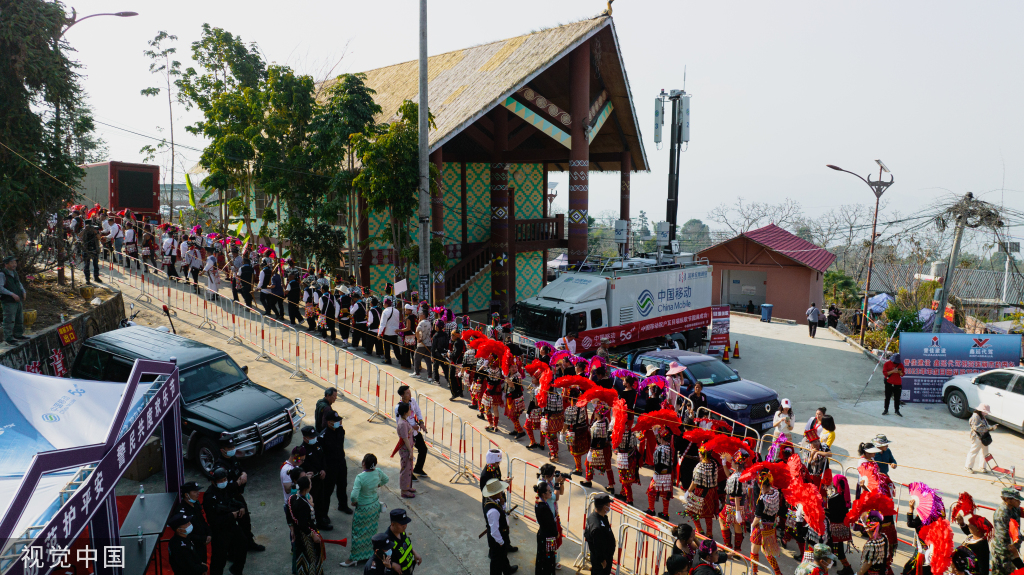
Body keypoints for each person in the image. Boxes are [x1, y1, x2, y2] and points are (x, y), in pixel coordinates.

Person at [212, 438, 262, 552]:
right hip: (227, 499)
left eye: (233, 447)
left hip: (237, 496)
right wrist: (237, 483)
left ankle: (249, 543)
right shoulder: (220, 466)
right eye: (229, 448)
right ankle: (232, 551)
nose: (232, 449)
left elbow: (240, 468)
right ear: (222, 450)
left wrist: (244, 473)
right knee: (230, 526)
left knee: (245, 521)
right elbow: (222, 486)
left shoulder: (233, 458)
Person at [340, 454, 389, 568]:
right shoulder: (378, 472)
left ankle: (354, 558)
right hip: (374, 507)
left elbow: (354, 495)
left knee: (358, 533)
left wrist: (354, 502)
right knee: (372, 531)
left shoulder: (360, 477)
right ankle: (370, 554)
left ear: (363, 463)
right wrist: (378, 485)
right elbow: (386, 479)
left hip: (363, 509)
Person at [204, 468, 247, 575]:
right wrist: (230, 516)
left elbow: (232, 500)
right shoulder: (209, 497)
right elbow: (213, 521)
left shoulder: (226, 489)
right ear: (213, 481)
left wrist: (241, 506)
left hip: (231, 525)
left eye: (225, 479)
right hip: (220, 531)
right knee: (219, 559)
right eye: (220, 480)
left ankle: (237, 570)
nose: (223, 482)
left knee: (243, 544)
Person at [285, 476, 324, 575]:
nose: (311, 485)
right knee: (312, 558)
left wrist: (292, 530)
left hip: (298, 534)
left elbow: (289, 516)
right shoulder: (304, 505)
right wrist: (313, 535)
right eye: (310, 483)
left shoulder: (292, 498)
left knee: (301, 557)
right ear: (307, 488)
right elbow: (303, 525)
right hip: (305, 537)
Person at [750, 471, 786, 575]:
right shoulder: (775, 493)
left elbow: (757, 517)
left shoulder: (762, 499)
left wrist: (752, 525)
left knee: (754, 550)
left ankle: (753, 572)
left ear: (761, 484)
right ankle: (778, 572)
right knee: (768, 552)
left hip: (761, 527)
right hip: (771, 527)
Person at [482, 478, 518, 575]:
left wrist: (502, 504)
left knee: (503, 555)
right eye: (500, 491)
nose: (502, 492)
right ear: (494, 494)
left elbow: (502, 512)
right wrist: (501, 542)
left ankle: (507, 570)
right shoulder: (492, 511)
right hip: (497, 540)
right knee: (496, 563)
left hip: (501, 535)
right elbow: (494, 531)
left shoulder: (494, 501)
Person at [298, 426, 331, 531]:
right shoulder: (302, 450)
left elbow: (323, 458)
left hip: (321, 478)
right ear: (305, 438)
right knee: (312, 503)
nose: (314, 438)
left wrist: (324, 469)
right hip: (311, 482)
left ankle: (321, 521)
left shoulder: (317, 444)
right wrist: (316, 473)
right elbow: (303, 465)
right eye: (311, 437)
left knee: (321, 501)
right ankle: (312, 525)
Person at [322, 410, 353, 514]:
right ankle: (324, 514)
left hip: (341, 463)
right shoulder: (324, 436)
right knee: (328, 490)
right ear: (329, 422)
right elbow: (322, 455)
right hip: (330, 466)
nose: (338, 422)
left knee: (342, 485)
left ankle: (343, 505)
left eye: (338, 420)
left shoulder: (340, 430)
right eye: (335, 421)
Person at [394, 386, 429, 477]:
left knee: (423, 449)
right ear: (402, 395)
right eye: (407, 393)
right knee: (408, 454)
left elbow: (418, 411)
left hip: (415, 432)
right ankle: (408, 473)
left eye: (410, 392)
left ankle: (418, 468)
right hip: (407, 435)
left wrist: (421, 423)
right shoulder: (398, 408)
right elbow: (400, 423)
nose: (410, 394)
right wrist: (412, 427)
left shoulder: (412, 401)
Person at [177, 481, 212, 565]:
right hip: (192, 546)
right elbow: (184, 533)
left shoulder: (195, 504)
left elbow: (202, 521)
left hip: (202, 543)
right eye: (195, 491)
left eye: (198, 491)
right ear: (186, 495)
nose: (198, 493)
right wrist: (203, 538)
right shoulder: (181, 511)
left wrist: (209, 534)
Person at [686, 446, 719, 534]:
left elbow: (695, 482)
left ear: (702, 454)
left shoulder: (700, 466)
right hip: (711, 492)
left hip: (700, 492)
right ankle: (709, 533)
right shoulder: (714, 464)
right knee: (708, 513)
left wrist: (688, 491)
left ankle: (699, 529)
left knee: (692, 510)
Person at [991, 488, 1023, 575]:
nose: (1019, 501)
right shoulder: (1001, 514)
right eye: (1017, 499)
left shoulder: (1014, 507)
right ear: (1008, 499)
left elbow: (1021, 511)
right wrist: (1021, 539)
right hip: (1003, 553)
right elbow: (1003, 539)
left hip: (1012, 551)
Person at [382, 509, 422, 575]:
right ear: (392, 524)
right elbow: (380, 556)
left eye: (405, 523)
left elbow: (405, 544)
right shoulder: (387, 540)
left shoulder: (401, 532)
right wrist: (392, 565)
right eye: (402, 524)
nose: (405, 526)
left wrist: (414, 553)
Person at [585, 494, 616, 575]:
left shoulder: (598, 517)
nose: (609, 507)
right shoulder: (597, 526)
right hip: (601, 561)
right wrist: (602, 560)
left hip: (601, 558)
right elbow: (597, 546)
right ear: (604, 507)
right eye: (608, 505)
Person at [647, 430, 674, 520]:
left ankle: (651, 509)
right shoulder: (670, 448)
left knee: (651, 491)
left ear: (661, 438)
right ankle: (665, 514)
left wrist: (655, 474)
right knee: (666, 494)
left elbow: (658, 464)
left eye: (658, 437)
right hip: (668, 475)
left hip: (659, 474)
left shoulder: (660, 449)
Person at [0, 256, 28, 344]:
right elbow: (0, 288)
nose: (14, 265)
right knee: (9, 320)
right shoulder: (2, 274)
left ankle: (18, 334)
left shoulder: (14, 273)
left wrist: (23, 291)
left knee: (19, 318)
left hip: (18, 299)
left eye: (15, 263)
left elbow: (19, 283)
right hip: (8, 300)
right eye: (12, 263)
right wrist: (12, 294)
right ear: (6, 264)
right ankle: (8, 338)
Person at [535, 480, 559, 575]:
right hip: (547, 537)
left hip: (542, 535)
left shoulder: (539, 503)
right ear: (544, 494)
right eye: (549, 491)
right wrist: (556, 533)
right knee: (548, 560)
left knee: (542, 558)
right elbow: (549, 524)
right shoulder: (543, 507)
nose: (551, 492)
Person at [965, 404, 995, 474]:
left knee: (985, 453)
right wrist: (989, 428)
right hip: (977, 437)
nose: (987, 413)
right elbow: (977, 428)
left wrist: (991, 427)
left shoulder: (982, 416)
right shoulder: (975, 416)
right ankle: (968, 467)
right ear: (981, 410)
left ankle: (982, 467)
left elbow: (985, 426)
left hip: (983, 437)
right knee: (973, 452)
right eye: (986, 412)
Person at [396, 402, 416, 498]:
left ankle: (407, 487)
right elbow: (405, 438)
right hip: (406, 450)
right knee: (405, 469)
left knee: (409, 469)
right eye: (409, 409)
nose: (410, 411)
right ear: (405, 412)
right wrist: (410, 451)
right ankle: (404, 490)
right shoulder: (402, 424)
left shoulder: (404, 420)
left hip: (408, 448)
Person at [378, 297, 401, 365]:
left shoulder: (385, 311)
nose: (383, 304)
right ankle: (400, 359)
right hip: (395, 331)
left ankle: (388, 359)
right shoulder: (397, 311)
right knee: (395, 346)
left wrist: (379, 333)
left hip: (387, 332)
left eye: (384, 303)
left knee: (386, 347)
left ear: (386, 304)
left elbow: (382, 324)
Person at [412, 311, 433, 379]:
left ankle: (417, 373)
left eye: (420, 314)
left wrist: (418, 338)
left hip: (422, 344)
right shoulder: (429, 322)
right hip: (428, 343)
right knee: (428, 360)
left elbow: (417, 331)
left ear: (424, 315)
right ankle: (429, 375)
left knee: (416, 358)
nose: (419, 315)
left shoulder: (421, 322)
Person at [430, 319, 450, 384]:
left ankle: (436, 380)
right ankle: (449, 382)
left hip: (437, 354)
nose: (434, 327)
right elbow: (447, 344)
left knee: (435, 368)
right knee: (445, 368)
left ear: (438, 327)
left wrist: (432, 356)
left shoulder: (435, 336)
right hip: (444, 354)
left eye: (435, 326)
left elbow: (433, 347)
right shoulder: (445, 334)